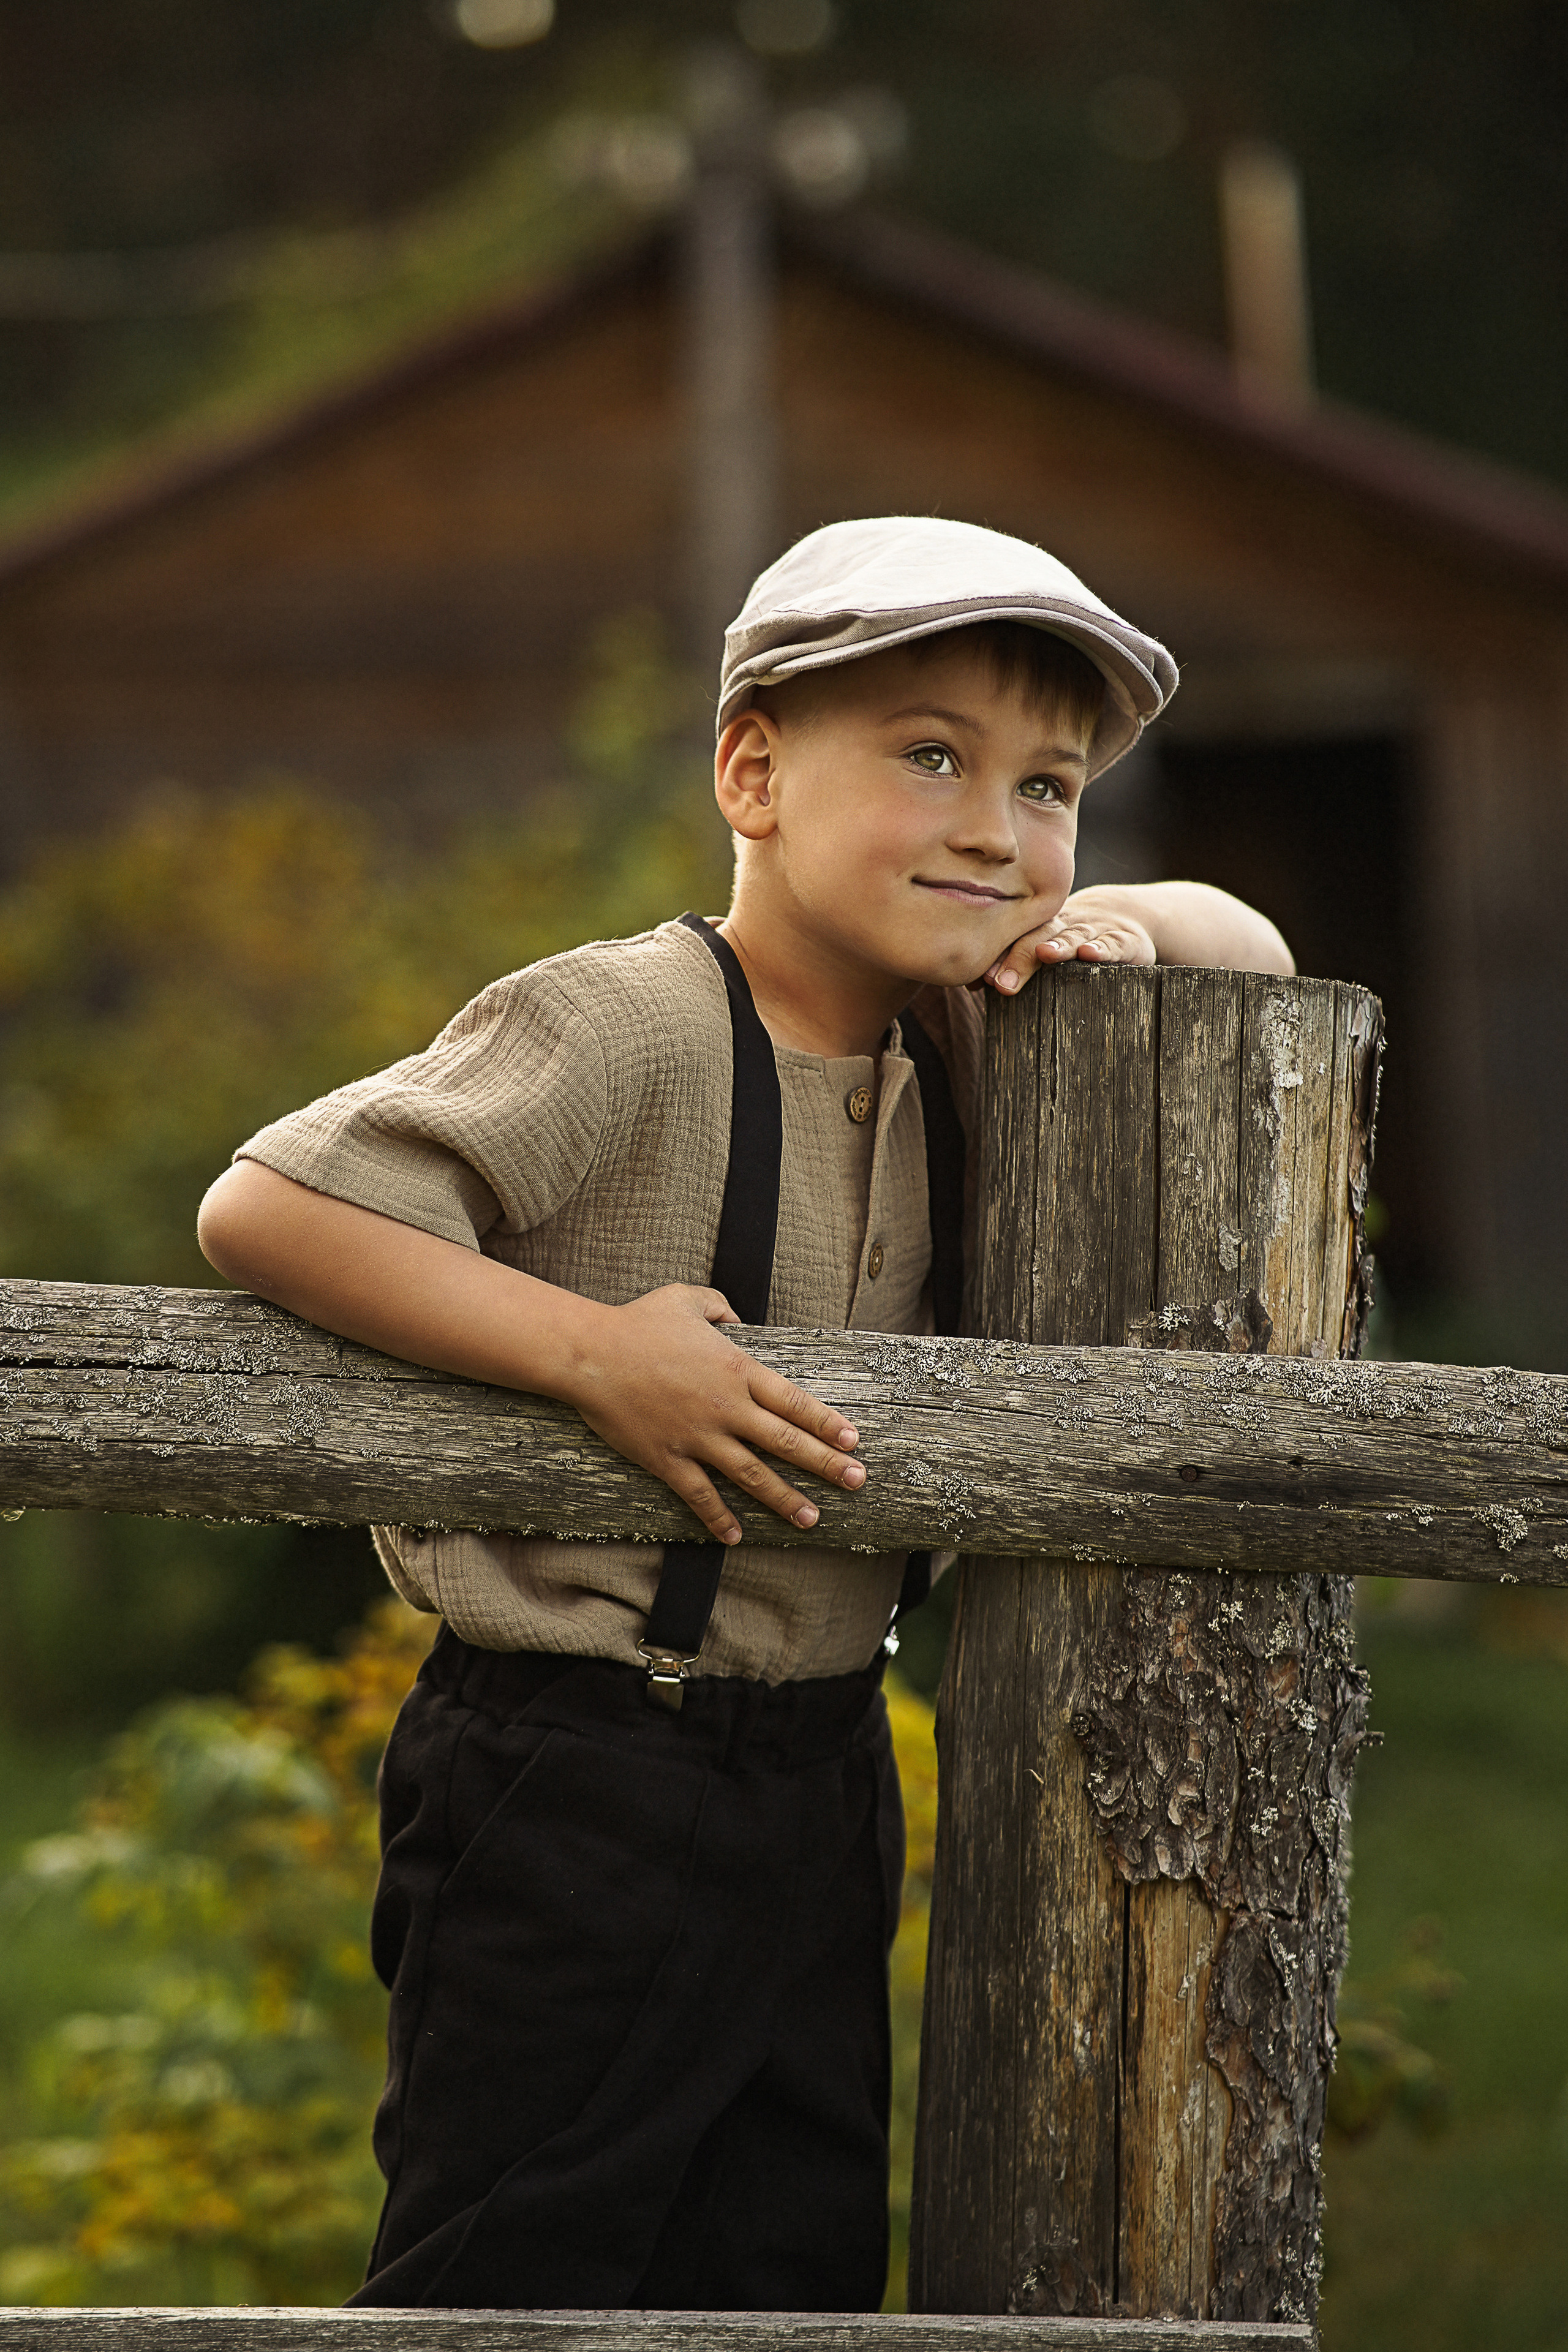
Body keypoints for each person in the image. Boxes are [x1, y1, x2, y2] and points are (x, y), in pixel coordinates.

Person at [197, 515, 1293, 2312]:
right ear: (754, 769)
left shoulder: (975, 1043)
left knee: (781, 2264)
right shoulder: (625, 1023)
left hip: (823, 1770)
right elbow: (273, 1206)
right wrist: (585, 1354)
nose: (989, 828)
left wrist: (1115, 918)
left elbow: (1246, 959)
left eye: (1047, 787)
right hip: (575, 1763)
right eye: (932, 757)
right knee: (516, 2261)